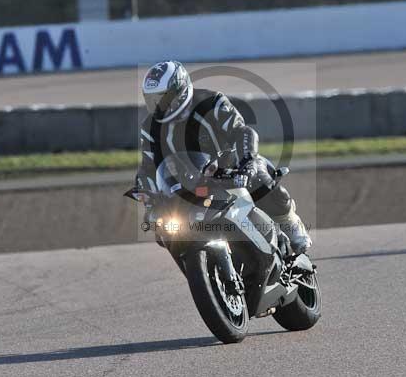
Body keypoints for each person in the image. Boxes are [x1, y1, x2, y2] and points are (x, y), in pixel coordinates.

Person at [133, 60, 312, 255]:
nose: (158, 106)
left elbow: (242, 132)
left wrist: (248, 162)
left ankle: (291, 226)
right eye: (152, 100)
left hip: (233, 171)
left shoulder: (212, 102)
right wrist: (150, 202)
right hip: (187, 186)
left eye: (162, 99)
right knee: (163, 229)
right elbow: (148, 167)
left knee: (262, 178)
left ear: (180, 91)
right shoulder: (149, 127)